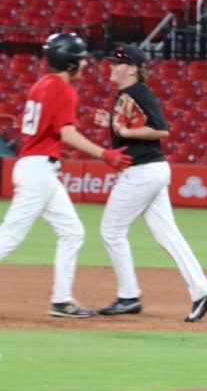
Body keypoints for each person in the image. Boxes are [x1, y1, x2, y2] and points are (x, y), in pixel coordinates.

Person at [0, 32, 132, 317]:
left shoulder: (41, 85)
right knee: (9, 236)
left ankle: (61, 300)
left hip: (37, 168)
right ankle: (61, 300)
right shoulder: (63, 89)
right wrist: (104, 154)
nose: (85, 64)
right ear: (69, 62)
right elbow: (67, 133)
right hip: (38, 169)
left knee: (72, 232)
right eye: (81, 59)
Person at [91, 44, 207, 323]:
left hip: (143, 172)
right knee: (167, 234)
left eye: (118, 62)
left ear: (133, 69)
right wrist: (111, 124)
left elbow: (161, 128)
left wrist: (123, 129)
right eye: (111, 61)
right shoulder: (125, 94)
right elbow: (129, 129)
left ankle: (128, 297)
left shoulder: (139, 92)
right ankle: (203, 291)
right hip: (151, 170)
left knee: (111, 230)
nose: (111, 66)